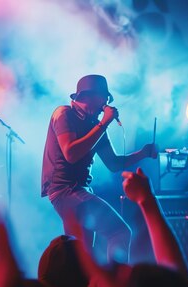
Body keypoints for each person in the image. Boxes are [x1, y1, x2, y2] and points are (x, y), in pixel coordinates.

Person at [41, 74, 157, 263]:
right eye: (104, 98)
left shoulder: (95, 126)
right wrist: (104, 123)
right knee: (119, 232)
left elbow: (114, 163)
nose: (106, 104)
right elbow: (70, 153)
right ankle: (117, 282)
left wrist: (143, 153)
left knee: (82, 254)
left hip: (76, 192)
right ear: (90, 97)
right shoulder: (63, 114)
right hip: (65, 191)